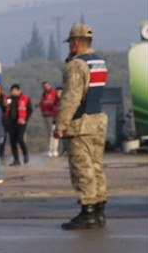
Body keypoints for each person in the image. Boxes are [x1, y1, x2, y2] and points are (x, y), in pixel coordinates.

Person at [55, 23, 109, 230]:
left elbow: (71, 97)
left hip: (81, 123)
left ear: (75, 43)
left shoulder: (76, 65)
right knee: (96, 166)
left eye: (70, 43)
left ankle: (87, 210)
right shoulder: (100, 63)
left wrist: (61, 124)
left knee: (82, 168)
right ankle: (99, 210)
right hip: (98, 120)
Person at [5, 84, 32, 165]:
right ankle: (16, 159)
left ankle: (25, 154)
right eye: (12, 91)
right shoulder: (8, 99)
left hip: (21, 122)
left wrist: (25, 120)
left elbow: (30, 110)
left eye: (15, 91)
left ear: (19, 90)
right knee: (12, 141)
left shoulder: (25, 98)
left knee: (20, 139)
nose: (13, 92)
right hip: (11, 122)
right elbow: (5, 109)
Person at [39, 81, 61, 157]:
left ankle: (54, 149)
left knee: (53, 132)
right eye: (44, 86)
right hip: (46, 115)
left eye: (47, 85)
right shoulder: (43, 95)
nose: (46, 87)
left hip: (53, 115)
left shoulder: (54, 93)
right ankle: (50, 149)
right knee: (49, 133)